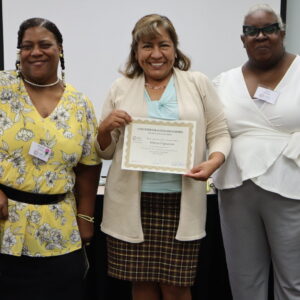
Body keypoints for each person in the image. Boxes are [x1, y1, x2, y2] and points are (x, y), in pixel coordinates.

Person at [95, 14, 231, 300]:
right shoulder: (120, 88)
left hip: (180, 205)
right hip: (131, 205)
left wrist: (214, 161)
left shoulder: (197, 83)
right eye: (147, 46)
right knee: (141, 285)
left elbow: (219, 133)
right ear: (136, 51)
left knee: (177, 288)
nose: (156, 54)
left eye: (164, 45)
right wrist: (104, 128)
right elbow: (104, 150)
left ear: (175, 48)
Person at [0, 18, 101, 300]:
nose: (36, 52)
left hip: (59, 232)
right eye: (27, 46)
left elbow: (89, 166)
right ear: (18, 52)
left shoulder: (80, 104)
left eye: (45, 45)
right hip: (4, 229)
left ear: (60, 50)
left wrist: (85, 218)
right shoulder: (2, 89)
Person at [213, 4, 300, 300]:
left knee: (293, 279)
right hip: (236, 187)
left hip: (292, 186)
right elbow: (211, 130)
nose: (261, 36)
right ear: (243, 39)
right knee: (244, 279)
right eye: (252, 31)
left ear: (282, 33)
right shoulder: (223, 82)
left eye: (269, 29)